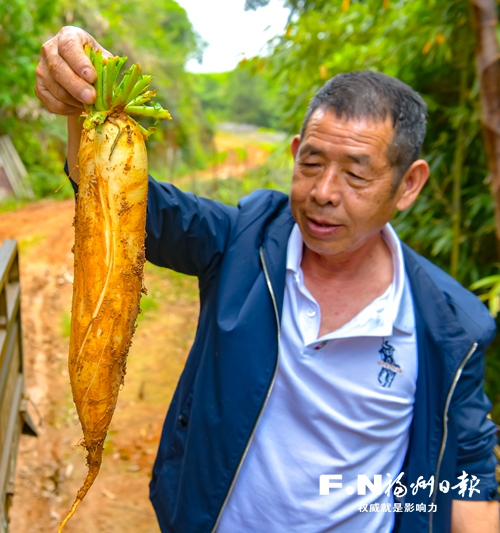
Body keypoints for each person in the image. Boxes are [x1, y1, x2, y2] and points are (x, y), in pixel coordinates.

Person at [35, 26, 500, 533]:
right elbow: (132, 206)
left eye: (356, 175)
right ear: (296, 151)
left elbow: (467, 474)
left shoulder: (449, 327)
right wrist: (84, 102)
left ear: (408, 184)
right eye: (313, 163)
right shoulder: (242, 243)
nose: (324, 192)